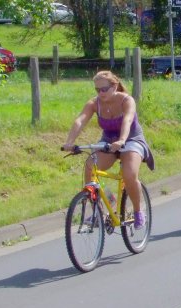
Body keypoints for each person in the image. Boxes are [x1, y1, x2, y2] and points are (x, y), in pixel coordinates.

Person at [62, 71, 154, 229]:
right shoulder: (93, 104)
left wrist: (122, 140)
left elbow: (128, 119)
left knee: (129, 174)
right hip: (108, 141)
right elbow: (80, 121)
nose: (101, 93)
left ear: (115, 86)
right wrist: (70, 142)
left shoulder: (126, 100)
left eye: (104, 89)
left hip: (131, 139)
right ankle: (99, 210)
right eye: (97, 90)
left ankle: (139, 211)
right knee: (90, 166)